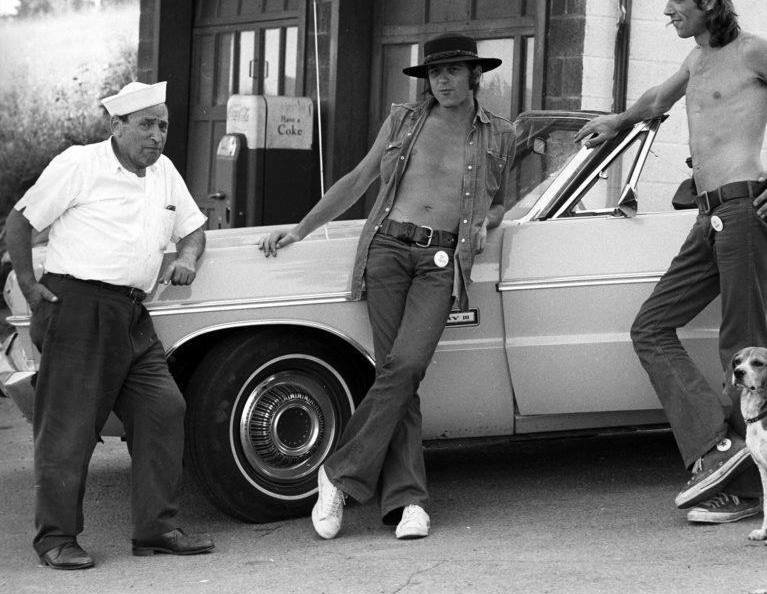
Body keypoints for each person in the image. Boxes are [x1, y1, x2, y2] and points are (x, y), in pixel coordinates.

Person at [574, 0, 767, 524]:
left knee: (742, 350)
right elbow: (655, 102)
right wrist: (616, 122)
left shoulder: (755, 53)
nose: (668, 9)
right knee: (650, 327)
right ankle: (719, 451)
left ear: (708, 1)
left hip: (746, 208)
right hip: (710, 217)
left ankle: (749, 492)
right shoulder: (696, 59)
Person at [258, 33, 515, 540]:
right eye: (433, 74)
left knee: (406, 366)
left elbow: (500, 198)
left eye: (452, 72)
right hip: (389, 252)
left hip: (442, 261)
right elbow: (357, 181)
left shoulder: (500, 134)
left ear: (473, 75)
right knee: (398, 376)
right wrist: (300, 228)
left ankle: (338, 474)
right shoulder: (404, 120)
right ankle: (409, 503)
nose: (441, 81)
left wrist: (488, 218)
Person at [5, 81, 214, 569]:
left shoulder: (164, 172)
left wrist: (187, 253)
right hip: (79, 307)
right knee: (69, 428)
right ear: (116, 126)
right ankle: (56, 539)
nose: (157, 135)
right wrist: (31, 288)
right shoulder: (80, 163)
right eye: (145, 124)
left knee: (164, 409)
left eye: (163, 125)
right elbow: (19, 222)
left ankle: (155, 530)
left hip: (133, 313)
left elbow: (195, 226)